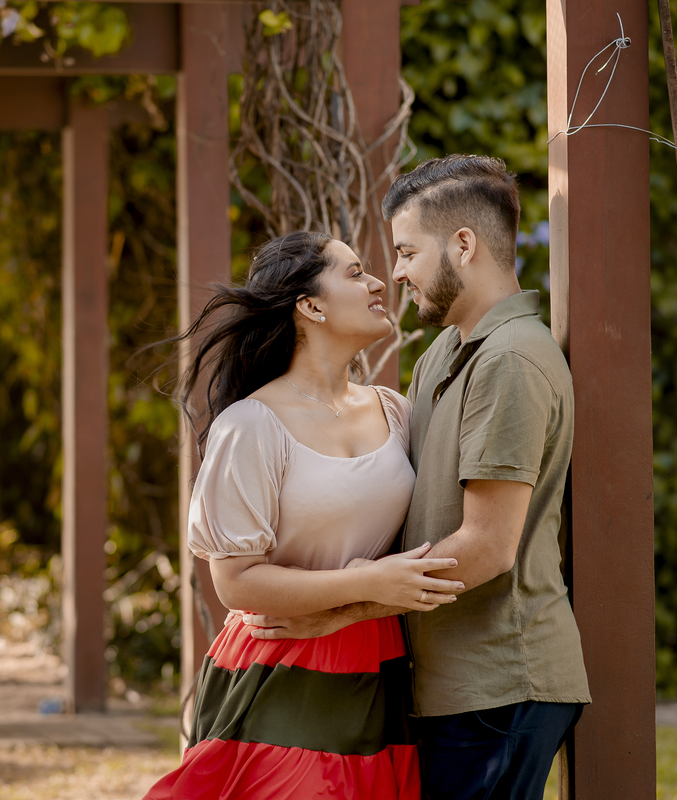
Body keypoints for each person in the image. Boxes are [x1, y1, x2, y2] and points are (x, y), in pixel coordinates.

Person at [237, 155, 591, 799]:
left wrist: (339, 613)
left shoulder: (511, 360)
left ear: (464, 245)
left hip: (500, 682)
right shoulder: (441, 357)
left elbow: (487, 546)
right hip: (446, 683)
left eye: (406, 252)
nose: (395, 273)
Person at [143, 231, 465, 800]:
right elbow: (235, 582)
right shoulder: (250, 425)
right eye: (355, 273)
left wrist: (373, 595)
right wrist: (368, 583)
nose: (379, 282)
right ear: (311, 306)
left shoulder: (395, 411)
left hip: (378, 663)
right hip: (279, 662)